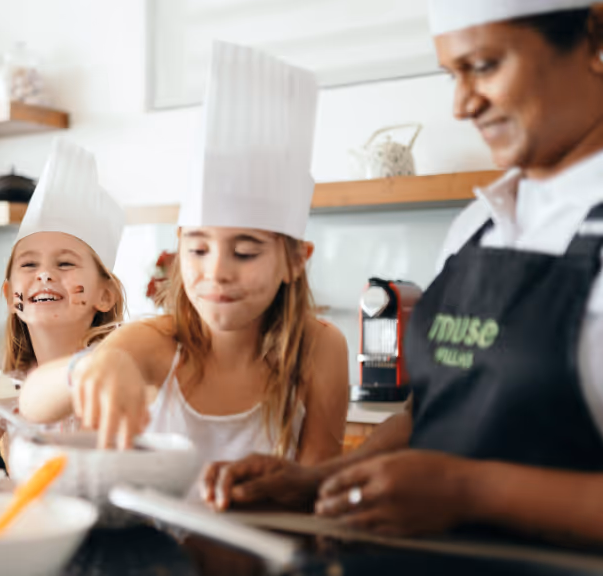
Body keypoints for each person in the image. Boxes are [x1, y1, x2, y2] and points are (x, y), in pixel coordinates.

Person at [207, 1, 603, 546]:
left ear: (596, 38)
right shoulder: (478, 224)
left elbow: (457, 473)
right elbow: (431, 412)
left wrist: (470, 490)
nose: (462, 105)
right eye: (451, 75)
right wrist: (317, 481)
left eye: (484, 66)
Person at [17, 43, 350, 488]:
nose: (216, 272)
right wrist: (87, 368)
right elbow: (35, 402)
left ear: (294, 260)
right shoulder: (157, 342)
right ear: (179, 247)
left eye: (245, 252)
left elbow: (313, 482)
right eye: (198, 250)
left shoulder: (320, 348)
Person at [0, 139, 131, 462]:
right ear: (9, 296)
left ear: (106, 295)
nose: (45, 275)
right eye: (29, 264)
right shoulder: (5, 389)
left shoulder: (115, 372)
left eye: (65, 263)